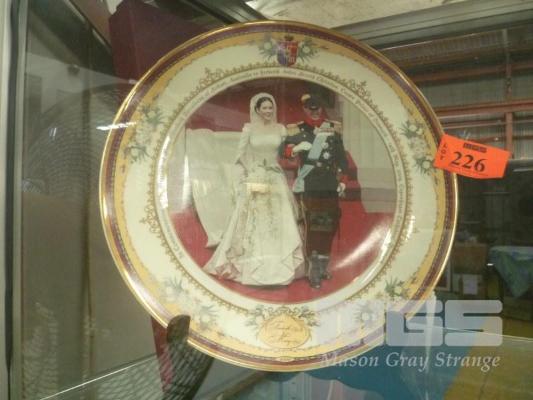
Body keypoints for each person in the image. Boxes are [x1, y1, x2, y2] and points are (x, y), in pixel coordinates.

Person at [203, 93, 305, 286]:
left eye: (270, 107)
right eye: (264, 108)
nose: (268, 111)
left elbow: (286, 154)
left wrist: (294, 152)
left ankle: (280, 266)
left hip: (275, 176)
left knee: (278, 219)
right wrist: (251, 171)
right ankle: (252, 267)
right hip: (256, 176)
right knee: (256, 219)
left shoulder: (280, 129)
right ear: (257, 110)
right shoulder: (249, 128)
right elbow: (240, 154)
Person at [283, 94, 349, 289]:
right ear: (304, 109)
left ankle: (322, 264)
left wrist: (342, 181)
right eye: (310, 108)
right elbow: (283, 152)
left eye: (317, 107)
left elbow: (342, 160)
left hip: (329, 185)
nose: (314, 111)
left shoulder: (333, 129)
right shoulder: (297, 130)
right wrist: (295, 149)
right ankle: (314, 269)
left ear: (322, 108)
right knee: (313, 226)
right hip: (310, 185)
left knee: (329, 226)